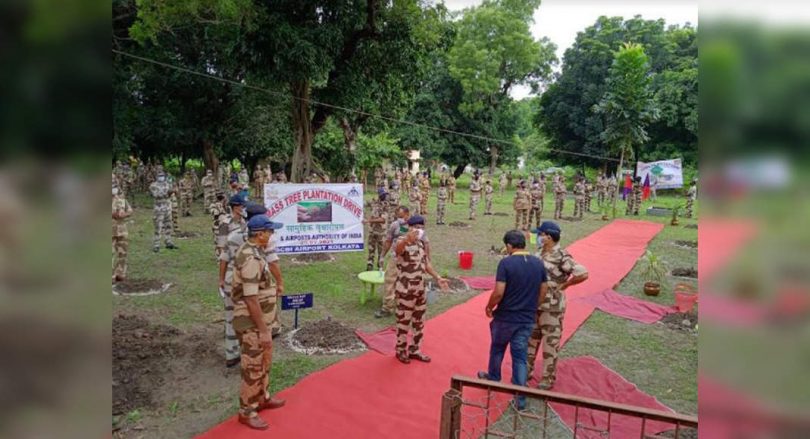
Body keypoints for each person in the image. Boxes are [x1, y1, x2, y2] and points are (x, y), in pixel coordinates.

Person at [478, 230, 547, 410]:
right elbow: (543, 291)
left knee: (497, 348)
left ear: (509, 246)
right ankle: (520, 398)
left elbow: (499, 291)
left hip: (506, 317)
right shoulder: (538, 264)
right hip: (526, 319)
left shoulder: (506, 263)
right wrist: (532, 307)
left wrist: (489, 306)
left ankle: (494, 377)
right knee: (520, 358)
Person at [231, 215, 286, 430]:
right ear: (260, 234)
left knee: (263, 361)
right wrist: (263, 330)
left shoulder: (256, 252)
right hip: (251, 324)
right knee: (252, 366)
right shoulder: (250, 258)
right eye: (270, 232)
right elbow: (250, 298)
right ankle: (247, 410)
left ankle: (262, 397)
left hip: (262, 320)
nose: (272, 235)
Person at [527, 222, 588, 390]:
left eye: (540, 234)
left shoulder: (562, 256)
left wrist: (565, 285)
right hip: (535, 304)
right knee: (530, 340)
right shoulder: (539, 252)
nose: (538, 237)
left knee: (550, 343)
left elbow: (582, 273)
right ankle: (525, 371)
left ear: (549, 236)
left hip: (552, 307)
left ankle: (547, 378)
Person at [393, 215, 448, 363]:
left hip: (420, 290)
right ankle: (400, 350)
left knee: (419, 322)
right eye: (416, 227)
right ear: (409, 227)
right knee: (403, 322)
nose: (419, 230)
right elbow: (398, 251)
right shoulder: (401, 241)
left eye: (422, 228)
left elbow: (426, 264)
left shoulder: (421, 244)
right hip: (405, 291)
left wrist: (437, 277)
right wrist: (406, 239)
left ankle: (415, 350)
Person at [375, 206, 431, 318]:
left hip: (412, 261)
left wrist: (427, 259)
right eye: (398, 216)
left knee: (410, 282)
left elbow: (426, 243)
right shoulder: (395, 225)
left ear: (407, 214)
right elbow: (388, 241)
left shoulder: (417, 226)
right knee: (390, 281)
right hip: (397, 258)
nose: (400, 219)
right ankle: (387, 307)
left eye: (402, 216)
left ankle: (408, 305)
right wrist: (382, 256)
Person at [149, 168, 178, 252]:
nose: (161, 177)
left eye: (162, 175)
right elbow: (156, 195)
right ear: (156, 176)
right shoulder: (153, 185)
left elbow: (173, 191)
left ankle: (168, 242)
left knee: (168, 225)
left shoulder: (167, 184)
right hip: (159, 209)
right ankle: (156, 244)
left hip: (168, 207)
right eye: (159, 175)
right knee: (158, 226)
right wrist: (168, 193)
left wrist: (174, 190)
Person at [112, 186, 133, 282]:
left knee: (123, 252)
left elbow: (130, 210)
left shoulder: (121, 199)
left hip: (122, 230)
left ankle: (120, 273)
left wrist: (125, 214)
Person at [365, 188, 388, 271]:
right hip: (372, 231)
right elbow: (365, 204)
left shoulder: (385, 205)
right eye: (383, 194)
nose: (384, 196)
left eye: (385, 194)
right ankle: (369, 267)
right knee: (371, 250)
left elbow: (382, 219)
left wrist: (369, 220)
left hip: (381, 233)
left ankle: (380, 269)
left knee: (381, 251)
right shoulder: (374, 203)